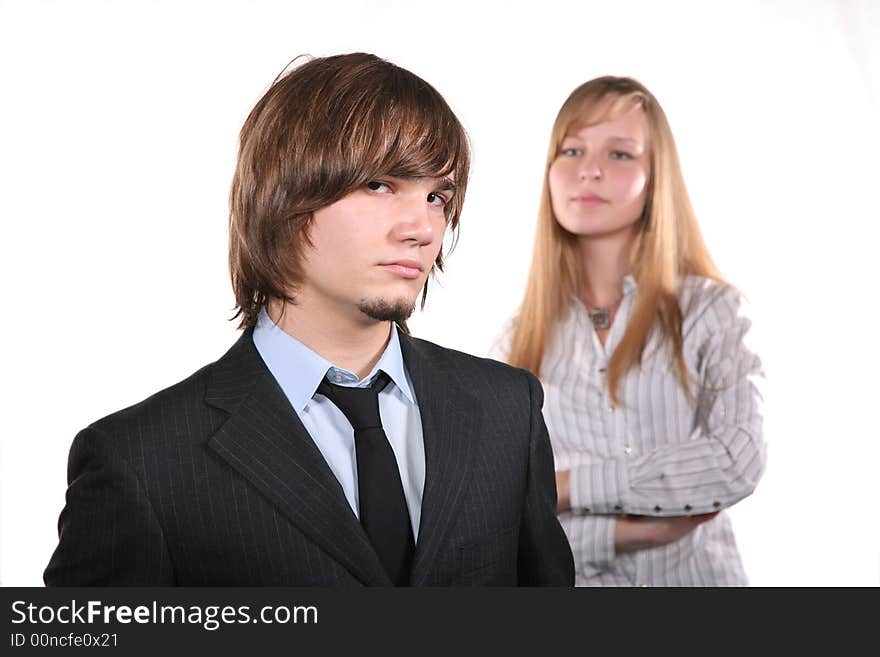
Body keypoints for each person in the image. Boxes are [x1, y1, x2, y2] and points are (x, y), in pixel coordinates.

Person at [44, 53, 574, 586]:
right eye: (380, 185)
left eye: (438, 196)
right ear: (284, 196)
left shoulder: (508, 410)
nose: (422, 228)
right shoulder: (141, 461)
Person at [490, 76, 766, 586]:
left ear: (656, 178)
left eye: (619, 154)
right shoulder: (518, 341)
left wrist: (566, 486)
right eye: (571, 150)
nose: (589, 170)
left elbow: (737, 458)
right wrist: (620, 534)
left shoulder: (710, 312)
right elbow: (503, 521)